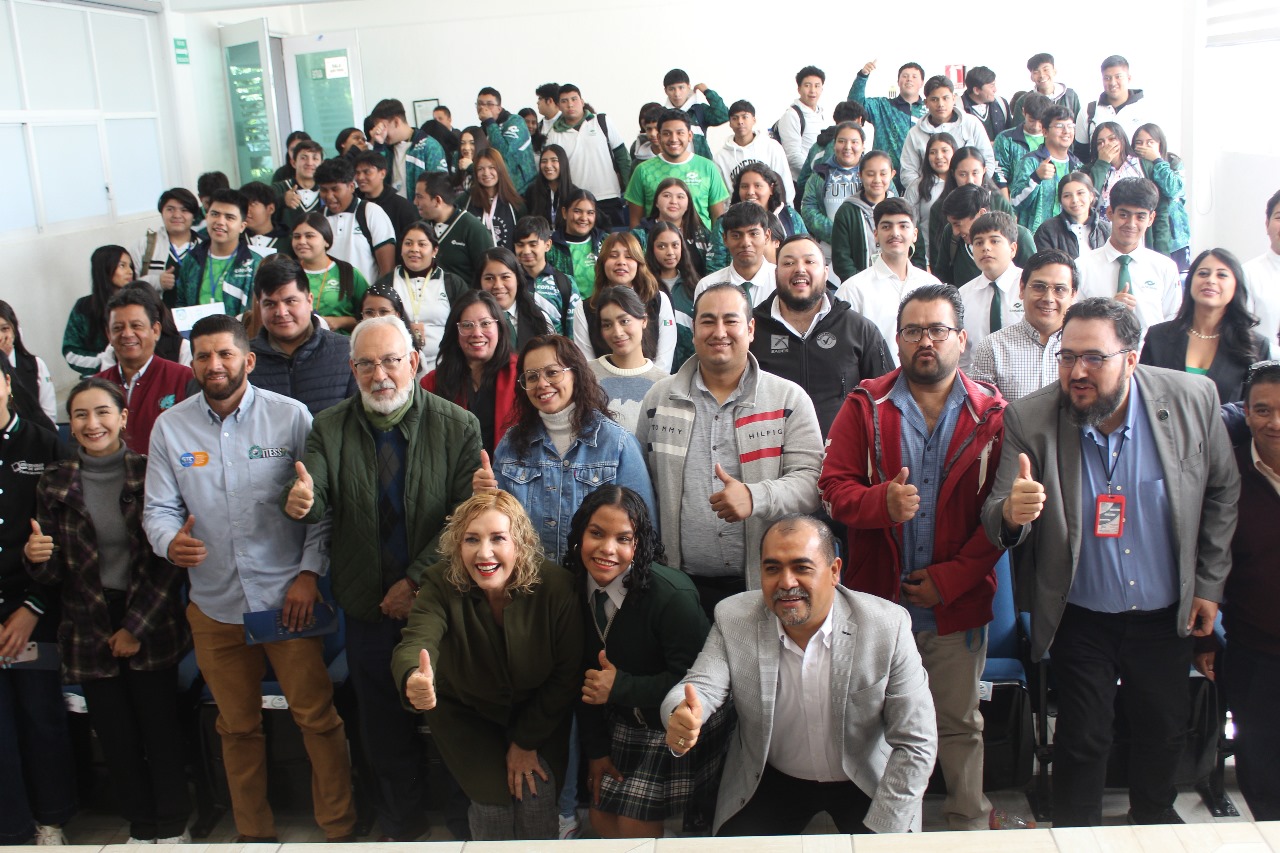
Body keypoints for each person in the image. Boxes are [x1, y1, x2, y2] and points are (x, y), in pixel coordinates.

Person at [981, 297, 1238, 826]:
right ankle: (1077, 832)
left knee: (1163, 729)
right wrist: (1012, 512)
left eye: (1094, 358)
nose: (1077, 372)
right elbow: (995, 516)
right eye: (1067, 357)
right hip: (1081, 614)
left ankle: (1153, 819)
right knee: (1082, 737)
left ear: (1132, 358)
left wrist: (1208, 585)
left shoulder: (1192, 400)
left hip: (1165, 614)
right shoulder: (1031, 417)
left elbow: (1221, 492)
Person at [143, 314, 357, 842]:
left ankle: (339, 828)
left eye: (225, 354)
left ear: (249, 360)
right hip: (215, 605)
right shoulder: (170, 427)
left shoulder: (290, 417)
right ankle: (253, 833)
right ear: (192, 363)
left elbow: (321, 505)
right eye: (203, 356)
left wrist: (309, 574)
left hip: (288, 601)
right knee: (236, 727)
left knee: (317, 719)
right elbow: (158, 510)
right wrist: (169, 542)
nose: (214, 365)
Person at [285, 313, 481, 842]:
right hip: (366, 604)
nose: (381, 375)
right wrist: (302, 501)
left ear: (414, 362)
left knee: (450, 713)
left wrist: (415, 582)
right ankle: (401, 826)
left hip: (439, 601)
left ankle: (463, 825)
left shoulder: (458, 425)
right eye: (367, 364)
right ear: (352, 370)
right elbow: (313, 492)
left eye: (391, 361)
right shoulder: (328, 427)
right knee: (382, 724)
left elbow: (463, 519)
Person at [820, 284, 1004, 830]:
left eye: (938, 330)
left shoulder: (992, 415)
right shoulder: (865, 406)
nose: (926, 341)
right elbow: (832, 489)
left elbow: (998, 523)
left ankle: (969, 820)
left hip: (956, 604)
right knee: (875, 725)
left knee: (959, 724)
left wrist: (950, 581)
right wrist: (881, 503)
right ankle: (890, 828)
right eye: (913, 330)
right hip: (878, 604)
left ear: (961, 339)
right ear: (897, 340)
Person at [661, 514, 937, 835]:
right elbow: (700, 687)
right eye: (772, 569)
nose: (786, 582)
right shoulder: (734, 617)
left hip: (865, 777)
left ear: (834, 571)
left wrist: (886, 833)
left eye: (802, 568)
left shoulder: (887, 626)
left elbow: (917, 742)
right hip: (771, 777)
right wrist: (680, 713)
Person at [24, 378, 191, 844]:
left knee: (160, 730)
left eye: (102, 412)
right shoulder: (55, 480)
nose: (92, 423)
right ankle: (140, 826)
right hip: (88, 625)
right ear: (70, 424)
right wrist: (36, 558)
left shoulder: (149, 471)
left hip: (150, 619)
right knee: (116, 737)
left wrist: (134, 628)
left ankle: (173, 825)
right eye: (80, 415)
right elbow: (54, 574)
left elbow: (170, 562)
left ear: (123, 418)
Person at [395, 491, 584, 841]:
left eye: (498, 538)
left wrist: (525, 742)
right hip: (467, 716)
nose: (484, 553)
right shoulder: (438, 583)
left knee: (536, 796)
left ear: (520, 544)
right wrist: (414, 677)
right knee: (492, 807)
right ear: (457, 545)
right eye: (471, 539)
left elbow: (566, 674)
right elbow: (417, 640)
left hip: (537, 714)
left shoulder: (556, 587)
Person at [636, 283, 823, 615]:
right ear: (694, 330)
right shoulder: (658, 400)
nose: (719, 332)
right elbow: (642, 488)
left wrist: (755, 497)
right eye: (708, 321)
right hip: (678, 589)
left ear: (750, 329)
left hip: (764, 588)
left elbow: (812, 483)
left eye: (730, 321)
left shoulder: (788, 399)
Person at [570, 486, 727, 839]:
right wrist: (596, 752)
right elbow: (582, 683)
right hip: (625, 722)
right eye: (596, 533)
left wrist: (620, 687)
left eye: (623, 538)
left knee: (633, 828)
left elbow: (697, 683)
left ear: (638, 544)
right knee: (601, 820)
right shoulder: (573, 589)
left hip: (677, 723)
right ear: (580, 534)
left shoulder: (671, 595)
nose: (607, 549)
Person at [474, 333, 655, 563]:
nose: (542, 384)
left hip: (593, 580)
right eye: (532, 376)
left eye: (552, 372)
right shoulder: (511, 443)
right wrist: (482, 497)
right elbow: (494, 529)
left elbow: (644, 532)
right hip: (528, 580)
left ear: (576, 375)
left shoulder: (618, 443)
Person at [1195, 360, 1280, 820]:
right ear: (1245, 413)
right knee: (1264, 777)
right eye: (1262, 410)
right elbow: (1206, 559)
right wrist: (1205, 638)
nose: (1275, 422)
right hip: (1256, 654)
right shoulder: (1227, 475)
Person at [0, 357, 76, 847]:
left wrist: (32, 608)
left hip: (36, 610)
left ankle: (52, 820)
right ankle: (11, 827)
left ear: (8, 383)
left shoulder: (44, 444)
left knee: (41, 717)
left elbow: (67, 536)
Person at [750, 234, 891, 436]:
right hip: (771, 451)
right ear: (776, 273)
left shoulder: (859, 330)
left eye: (809, 262)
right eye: (789, 263)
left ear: (825, 272)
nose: (799, 269)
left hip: (843, 451)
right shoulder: (751, 331)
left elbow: (886, 400)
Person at [1139, 248, 1271, 403]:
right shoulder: (1158, 337)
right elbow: (1143, 396)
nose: (1211, 280)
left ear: (1236, 286)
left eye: (1221, 275)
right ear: (1190, 282)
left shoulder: (1256, 346)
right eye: (1203, 273)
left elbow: (1260, 407)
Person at [835, 199, 942, 366]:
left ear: (915, 234)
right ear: (876, 234)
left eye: (903, 226)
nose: (895, 233)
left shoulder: (932, 286)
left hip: (925, 377)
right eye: (886, 227)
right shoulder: (853, 289)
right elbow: (842, 350)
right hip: (873, 380)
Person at [247, 256, 356, 415]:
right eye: (270, 304)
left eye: (290, 301)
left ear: (309, 301)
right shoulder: (245, 361)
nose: (281, 312)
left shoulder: (348, 351)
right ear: (259, 307)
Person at [970, 249, 1080, 401]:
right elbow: (981, 410)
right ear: (1021, 289)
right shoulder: (992, 348)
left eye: (1059, 289)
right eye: (1039, 287)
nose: (1048, 298)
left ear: (1073, 295)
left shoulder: (1085, 348)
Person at [1075, 177, 1181, 333]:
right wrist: (1107, 311)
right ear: (1110, 213)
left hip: (1150, 349)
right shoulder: (1082, 267)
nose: (1131, 224)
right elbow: (1074, 323)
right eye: (1124, 215)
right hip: (1099, 347)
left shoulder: (1165, 268)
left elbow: (1173, 321)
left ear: (1151, 219)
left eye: (1140, 217)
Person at [96, 287, 192, 454]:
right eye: (118, 328)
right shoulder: (96, 387)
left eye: (136, 326)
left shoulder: (184, 379)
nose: (127, 334)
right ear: (108, 334)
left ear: (155, 331)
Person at [421, 290, 518, 455]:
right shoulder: (432, 383)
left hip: (511, 469)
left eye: (485, 323)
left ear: (500, 328)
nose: (477, 333)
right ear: (455, 332)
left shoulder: (521, 374)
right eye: (467, 325)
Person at [372, 219, 469, 369]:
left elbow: (466, 322)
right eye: (408, 243)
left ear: (434, 250)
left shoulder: (452, 284)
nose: (414, 249)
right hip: (397, 366)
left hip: (445, 366)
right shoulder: (386, 284)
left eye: (422, 244)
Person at [573, 233, 676, 372]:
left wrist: (651, 382)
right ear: (602, 263)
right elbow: (587, 364)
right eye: (613, 256)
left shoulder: (659, 300)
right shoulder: (585, 308)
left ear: (639, 263)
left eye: (628, 256)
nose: (621, 262)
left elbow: (664, 360)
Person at [543, 85, 631, 228]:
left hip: (609, 197)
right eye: (564, 101)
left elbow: (622, 157)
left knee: (613, 239)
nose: (570, 104)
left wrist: (628, 191)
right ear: (558, 106)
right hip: (577, 202)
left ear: (582, 102)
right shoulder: (553, 135)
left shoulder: (602, 121)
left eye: (574, 99)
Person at [624, 110, 729, 230]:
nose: (673, 139)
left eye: (680, 133)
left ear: (690, 136)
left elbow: (718, 219)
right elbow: (635, 222)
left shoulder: (708, 167)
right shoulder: (642, 170)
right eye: (667, 133)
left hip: (701, 241)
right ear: (659, 137)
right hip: (656, 241)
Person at [587, 286, 668, 431]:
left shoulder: (664, 383)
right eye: (607, 325)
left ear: (644, 320)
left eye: (624, 321)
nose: (617, 332)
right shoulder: (585, 374)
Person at [899, 76, 996, 191]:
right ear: (926, 103)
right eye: (934, 99)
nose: (940, 104)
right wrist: (926, 193)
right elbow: (908, 172)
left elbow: (988, 161)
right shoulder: (915, 133)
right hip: (928, 196)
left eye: (945, 98)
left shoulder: (972, 124)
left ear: (954, 98)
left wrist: (972, 190)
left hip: (969, 193)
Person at [174, 189, 261, 315]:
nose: (220, 222)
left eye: (229, 217)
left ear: (242, 226)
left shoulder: (255, 264)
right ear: (206, 217)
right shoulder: (192, 259)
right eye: (215, 214)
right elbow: (182, 302)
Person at [957, 211, 1026, 369]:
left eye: (994, 241)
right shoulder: (963, 295)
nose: (986, 248)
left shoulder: (1030, 287)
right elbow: (962, 355)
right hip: (978, 380)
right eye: (978, 243)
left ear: (1013, 249)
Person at [932, 184, 1035, 289]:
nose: (955, 232)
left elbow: (1033, 279)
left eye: (958, 224)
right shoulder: (951, 235)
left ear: (981, 213)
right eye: (979, 243)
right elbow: (942, 278)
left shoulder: (1021, 238)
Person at [315, 157, 396, 284]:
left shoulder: (371, 212)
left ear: (351, 187)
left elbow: (387, 270)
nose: (329, 196)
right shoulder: (317, 219)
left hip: (366, 295)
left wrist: (378, 295)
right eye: (324, 190)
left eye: (335, 189)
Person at [1009, 105, 1084, 235]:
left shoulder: (1077, 166)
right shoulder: (1031, 162)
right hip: (1036, 237)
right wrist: (1035, 178)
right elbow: (1015, 202)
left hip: (1069, 238)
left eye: (1070, 126)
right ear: (1044, 132)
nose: (1066, 131)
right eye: (1059, 126)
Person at [631, 178, 728, 277]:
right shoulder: (639, 235)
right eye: (667, 196)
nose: (673, 201)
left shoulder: (702, 235)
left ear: (688, 204)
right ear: (656, 202)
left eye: (680, 197)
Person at [290, 213, 368, 334]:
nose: (302, 241)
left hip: (341, 342)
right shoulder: (288, 273)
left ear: (326, 240)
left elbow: (372, 315)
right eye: (296, 236)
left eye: (309, 236)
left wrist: (341, 322)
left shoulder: (348, 273)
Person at [64, 245, 135, 377]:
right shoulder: (84, 307)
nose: (129, 271)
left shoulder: (140, 303)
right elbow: (71, 353)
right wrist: (105, 361)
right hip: (99, 378)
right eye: (122, 265)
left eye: (130, 266)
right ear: (105, 268)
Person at [831, 150, 901, 281]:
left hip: (898, 283)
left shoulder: (901, 209)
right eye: (870, 174)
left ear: (892, 174)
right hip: (858, 286)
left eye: (883, 174)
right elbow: (841, 260)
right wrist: (863, 284)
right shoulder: (847, 211)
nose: (877, 180)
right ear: (860, 175)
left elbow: (917, 252)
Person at [412, 172, 494, 284]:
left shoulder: (474, 229)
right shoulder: (419, 229)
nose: (415, 202)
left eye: (419, 197)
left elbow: (489, 273)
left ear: (437, 200)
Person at [848, 59, 927, 173]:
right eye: (905, 76)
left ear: (922, 83)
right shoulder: (882, 106)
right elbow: (855, 104)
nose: (909, 79)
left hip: (919, 175)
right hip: (884, 175)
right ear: (898, 81)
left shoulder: (929, 110)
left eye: (914, 76)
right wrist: (862, 76)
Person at [694, 202, 778, 308]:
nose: (746, 243)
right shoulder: (707, 286)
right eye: (736, 235)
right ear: (725, 239)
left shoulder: (782, 281)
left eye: (753, 234)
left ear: (766, 236)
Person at [799, 122, 865, 255]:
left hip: (867, 248)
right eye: (841, 141)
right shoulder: (819, 175)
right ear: (834, 144)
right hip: (828, 252)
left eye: (854, 142)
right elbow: (808, 209)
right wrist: (839, 234)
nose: (847, 147)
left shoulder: (875, 173)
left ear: (863, 146)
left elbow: (890, 204)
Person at [1074, 56, 1158, 159]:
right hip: (1099, 169)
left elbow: (1159, 151)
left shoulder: (1146, 109)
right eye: (1107, 78)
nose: (1113, 83)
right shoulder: (1088, 112)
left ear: (1129, 78)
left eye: (1118, 77)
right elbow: (1080, 156)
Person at [1131, 123, 1190, 270]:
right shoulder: (1132, 166)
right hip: (1148, 235)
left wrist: (1157, 160)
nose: (1144, 146)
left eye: (1150, 142)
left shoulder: (1173, 162)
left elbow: (1173, 189)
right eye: (1139, 143)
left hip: (1176, 238)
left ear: (1160, 144)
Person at [644, 221, 701, 371]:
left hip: (690, 368)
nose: (670, 252)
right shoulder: (644, 288)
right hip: (654, 369)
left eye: (675, 245)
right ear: (652, 249)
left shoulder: (696, 287)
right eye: (661, 246)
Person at [714, 100, 794, 206]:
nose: (740, 122)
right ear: (730, 123)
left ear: (754, 120)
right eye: (735, 118)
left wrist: (787, 209)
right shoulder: (720, 157)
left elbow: (785, 182)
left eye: (745, 117)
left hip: (770, 211)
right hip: (737, 212)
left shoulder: (772, 147)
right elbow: (721, 196)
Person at [476, 247, 553, 354]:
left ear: (517, 279)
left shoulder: (539, 318)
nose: (498, 285)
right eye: (489, 278)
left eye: (505, 277)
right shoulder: (471, 323)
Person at [513, 216, 580, 338]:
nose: (526, 251)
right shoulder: (509, 282)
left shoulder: (566, 283)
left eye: (533, 244)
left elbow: (574, 332)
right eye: (520, 245)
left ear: (548, 245)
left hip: (556, 349)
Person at [135, 188, 202, 297]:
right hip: (156, 308)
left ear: (193, 215)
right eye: (170, 209)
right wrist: (157, 282)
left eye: (184, 210)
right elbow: (127, 286)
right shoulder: (145, 245)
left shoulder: (205, 245)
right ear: (162, 212)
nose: (176, 215)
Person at [1033, 172, 1112, 260]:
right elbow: (1046, 265)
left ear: (1091, 196)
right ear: (1060, 200)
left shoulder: (1107, 230)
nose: (1075, 200)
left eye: (1080, 193)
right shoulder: (1047, 230)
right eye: (1067, 196)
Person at [903, 132, 956, 261]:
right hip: (927, 258)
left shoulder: (961, 184)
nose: (939, 156)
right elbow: (910, 225)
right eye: (933, 152)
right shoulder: (917, 187)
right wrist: (923, 261)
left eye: (944, 151)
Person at [1, 301, 56, 425]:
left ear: (15, 331)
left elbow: (49, 417)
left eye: (5, 329)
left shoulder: (35, 364)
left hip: (34, 433)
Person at [474, 87, 537, 195]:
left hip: (524, 191)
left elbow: (505, 153)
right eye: (480, 104)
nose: (483, 108)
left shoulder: (515, 121)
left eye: (489, 104)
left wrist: (489, 122)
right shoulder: (483, 130)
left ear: (499, 108)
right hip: (500, 192)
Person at [547, 189, 607, 299]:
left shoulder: (606, 242)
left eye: (590, 213)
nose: (584, 218)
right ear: (564, 213)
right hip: (564, 308)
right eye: (577, 211)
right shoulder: (550, 247)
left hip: (602, 306)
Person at [462, 149, 527, 251]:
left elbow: (524, 238)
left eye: (492, 167)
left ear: (500, 169)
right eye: (480, 169)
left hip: (508, 260)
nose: (486, 173)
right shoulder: (466, 200)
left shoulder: (515, 203)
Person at [353, 150, 420, 247]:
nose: (360, 177)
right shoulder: (352, 203)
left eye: (367, 172)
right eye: (357, 173)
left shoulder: (402, 207)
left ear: (382, 174)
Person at [775, 66, 827, 184]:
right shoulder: (792, 115)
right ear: (799, 89)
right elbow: (793, 156)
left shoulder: (820, 114)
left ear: (822, 89)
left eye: (817, 86)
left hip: (818, 181)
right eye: (807, 85)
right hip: (801, 182)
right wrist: (815, 175)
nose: (812, 90)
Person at [660, 69, 728, 156]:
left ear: (688, 87)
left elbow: (723, 116)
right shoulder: (661, 114)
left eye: (681, 88)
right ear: (665, 91)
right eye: (671, 89)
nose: (677, 94)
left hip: (699, 163)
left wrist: (707, 91)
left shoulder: (698, 110)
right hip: (670, 163)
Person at [1085, 121, 1144, 222]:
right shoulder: (1089, 169)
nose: (1106, 145)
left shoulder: (1141, 165)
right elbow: (1090, 199)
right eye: (1100, 143)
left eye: (1112, 139)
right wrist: (1102, 163)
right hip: (1100, 228)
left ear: (1122, 141)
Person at [993, 92, 1049, 193]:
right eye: (1031, 120)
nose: (1036, 126)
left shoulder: (1053, 138)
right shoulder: (1006, 139)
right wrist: (1006, 202)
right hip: (1015, 197)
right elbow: (1000, 175)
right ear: (1023, 112)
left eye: (1041, 121)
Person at [1244, 189, 1280, 343]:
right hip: (1263, 358)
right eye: (1279, 217)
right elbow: (1242, 336)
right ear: (1267, 224)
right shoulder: (1248, 273)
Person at [1010, 53, 1082, 130]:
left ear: (1054, 71)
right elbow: (1016, 132)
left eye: (1046, 70)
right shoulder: (1023, 101)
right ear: (1031, 77)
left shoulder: (1070, 97)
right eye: (1036, 72)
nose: (1042, 75)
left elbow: (1078, 128)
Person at [732, 163, 806, 238]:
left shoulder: (789, 215)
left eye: (758, 186)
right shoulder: (729, 220)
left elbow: (805, 243)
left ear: (771, 188)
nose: (750, 192)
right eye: (744, 186)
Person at [271, 139, 325, 232]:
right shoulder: (278, 188)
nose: (309, 163)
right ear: (293, 163)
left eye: (315, 158)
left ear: (321, 164)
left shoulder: (326, 192)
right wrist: (281, 201)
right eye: (303, 158)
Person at [523, 144, 578, 229]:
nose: (548, 165)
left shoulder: (575, 194)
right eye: (544, 161)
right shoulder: (532, 191)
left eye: (554, 160)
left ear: (563, 163)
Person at [239, 182, 289, 259]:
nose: (246, 209)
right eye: (243, 204)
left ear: (270, 209)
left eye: (252, 204)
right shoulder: (235, 240)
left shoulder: (288, 243)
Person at [960, 66, 1011, 141]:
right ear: (976, 90)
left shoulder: (1001, 104)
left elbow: (1010, 134)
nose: (995, 90)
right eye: (992, 86)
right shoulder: (958, 107)